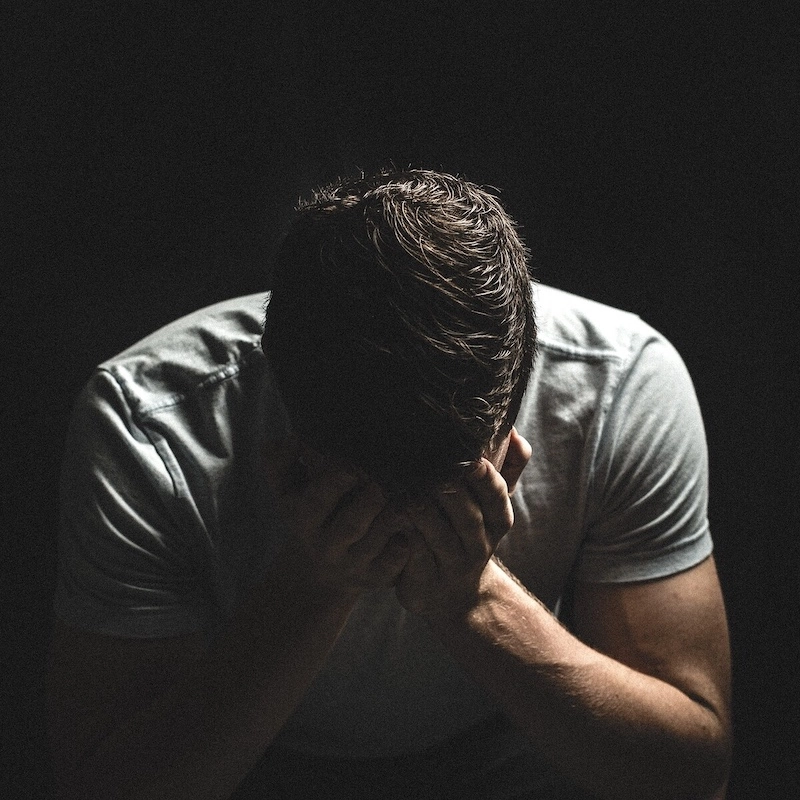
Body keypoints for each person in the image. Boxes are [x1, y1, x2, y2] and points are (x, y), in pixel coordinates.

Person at [47, 169, 731, 799]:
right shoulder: (147, 425)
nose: (400, 523)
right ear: (280, 390)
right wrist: (313, 585)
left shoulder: (622, 385)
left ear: (520, 392)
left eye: (446, 481)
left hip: (521, 755)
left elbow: (690, 777)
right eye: (363, 484)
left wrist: (473, 599)